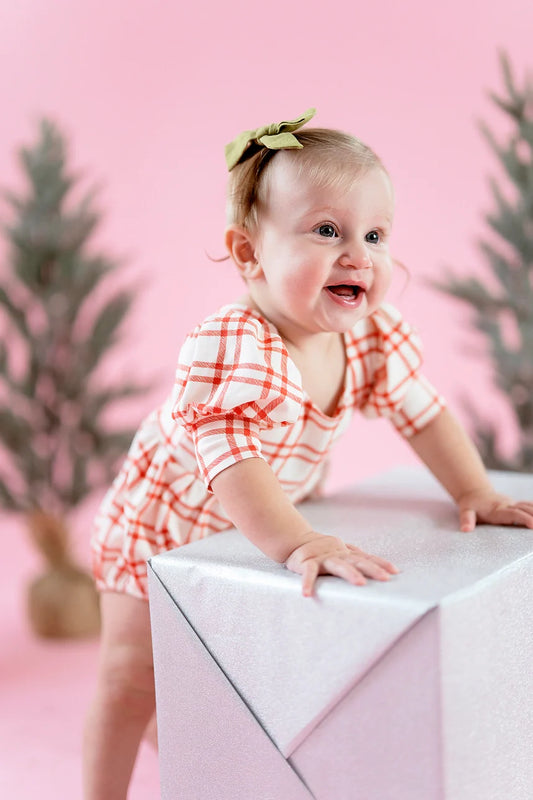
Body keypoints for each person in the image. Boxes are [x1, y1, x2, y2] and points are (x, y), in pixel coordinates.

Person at [82, 108, 533, 799]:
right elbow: (232, 464)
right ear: (247, 253)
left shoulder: (366, 336)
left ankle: (203, 770)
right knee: (130, 677)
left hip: (251, 530)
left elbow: (423, 414)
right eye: (326, 230)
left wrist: (473, 491)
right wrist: (297, 543)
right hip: (166, 523)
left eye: (375, 235)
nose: (359, 255)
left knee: (218, 692)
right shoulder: (237, 345)